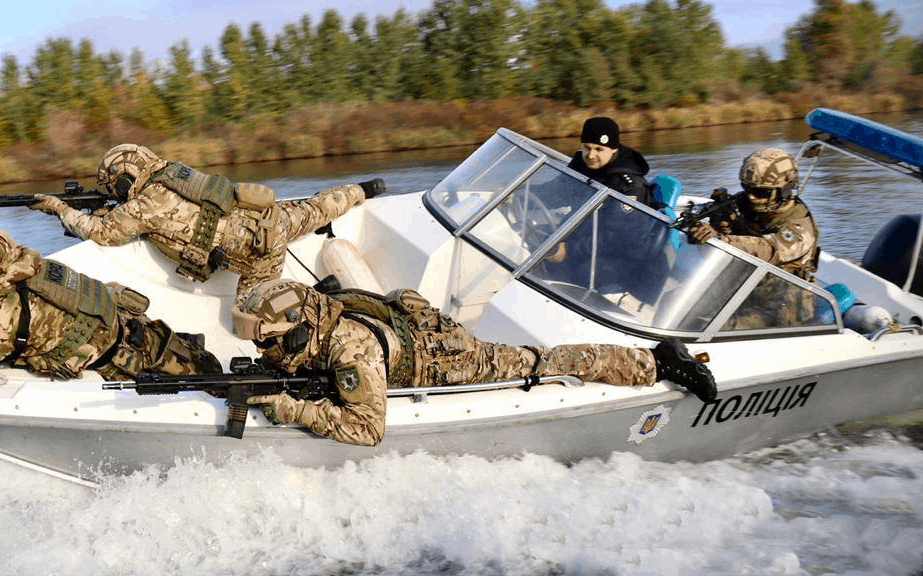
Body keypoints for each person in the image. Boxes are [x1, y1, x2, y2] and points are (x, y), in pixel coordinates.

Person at [232, 279, 717, 446]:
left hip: (449, 360)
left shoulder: (350, 351)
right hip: (408, 322)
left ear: (300, 327)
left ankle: (655, 361)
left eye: (271, 344)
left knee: (539, 362)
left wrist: (294, 410)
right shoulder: (316, 314)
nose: (265, 353)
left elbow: (368, 429)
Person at [0, 226, 221, 385]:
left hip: (132, 364)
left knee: (213, 385)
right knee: (204, 366)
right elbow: (24, 325)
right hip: (138, 333)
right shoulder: (25, 267)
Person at [27, 144, 384, 303]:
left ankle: (318, 298)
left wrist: (60, 209)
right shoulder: (173, 176)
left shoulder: (142, 207)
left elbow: (100, 233)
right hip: (271, 218)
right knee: (319, 207)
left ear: (123, 180)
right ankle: (364, 189)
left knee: (251, 321)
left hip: (258, 255)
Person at [685, 147, 819, 281]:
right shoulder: (744, 203)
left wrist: (722, 239)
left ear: (784, 190)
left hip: (783, 294)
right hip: (741, 282)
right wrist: (716, 223)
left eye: (761, 192)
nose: (751, 197)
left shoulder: (801, 225)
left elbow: (769, 250)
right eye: (747, 188)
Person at [568, 116, 653, 207]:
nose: (591, 155)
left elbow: (619, 220)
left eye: (599, 149)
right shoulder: (578, 166)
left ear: (614, 149)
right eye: (587, 148)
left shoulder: (629, 186)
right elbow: (556, 193)